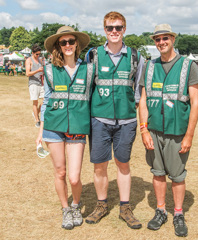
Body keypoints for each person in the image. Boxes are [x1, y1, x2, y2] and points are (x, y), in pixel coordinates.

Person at [139, 24, 198, 237]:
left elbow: (195, 103)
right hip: (154, 131)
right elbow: (144, 100)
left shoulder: (187, 66)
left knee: (177, 176)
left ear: (173, 39)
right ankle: (161, 210)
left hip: (177, 132)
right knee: (157, 173)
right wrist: (144, 130)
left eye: (165, 38)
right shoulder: (149, 66)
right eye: (157, 39)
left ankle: (178, 213)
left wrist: (189, 135)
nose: (161, 42)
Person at [85, 11, 144, 229]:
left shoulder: (136, 57)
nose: (114, 32)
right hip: (99, 120)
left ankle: (125, 207)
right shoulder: (93, 55)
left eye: (118, 27)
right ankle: (101, 205)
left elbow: (138, 91)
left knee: (123, 164)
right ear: (104, 30)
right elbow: (87, 88)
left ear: (124, 29)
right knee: (100, 166)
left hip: (126, 121)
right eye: (110, 28)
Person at [36, 26, 94, 230]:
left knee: (74, 176)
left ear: (76, 43)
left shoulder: (89, 68)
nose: (68, 45)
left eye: (71, 41)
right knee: (60, 172)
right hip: (53, 126)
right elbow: (47, 100)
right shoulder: (50, 69)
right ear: (58, 46)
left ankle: (76, 205)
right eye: (63, 42)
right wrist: (40, 130)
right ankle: (65, 209)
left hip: (78, 126)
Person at [25, 44, 44, 128]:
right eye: (36, 54)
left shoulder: (40, 60)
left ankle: (35, 112)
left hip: (41, 83)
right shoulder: (29, 60)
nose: (38, 55)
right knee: (35, 102)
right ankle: (37, 120)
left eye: (39, 54)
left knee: (44, 101)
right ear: (32, 53)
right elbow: (27, 73)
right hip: (33, 83)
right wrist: (37, 70)